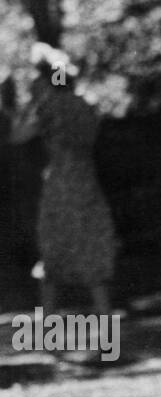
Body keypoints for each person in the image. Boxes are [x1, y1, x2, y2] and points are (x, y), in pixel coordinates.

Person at [1, 43, 117, 316]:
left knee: (52, 259)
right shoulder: (85, 106)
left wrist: (11, 107)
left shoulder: (47, 107)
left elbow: (16, 137)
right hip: (87, 184)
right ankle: (106, 340)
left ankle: (48, 341)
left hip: (60, 186)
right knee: (92, 257)